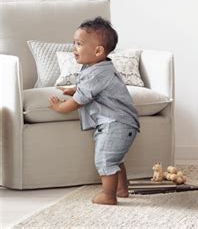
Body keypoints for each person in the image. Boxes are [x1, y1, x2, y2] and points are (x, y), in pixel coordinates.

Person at [48, 17, 140, 205]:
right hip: (121, 123)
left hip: (116, 124)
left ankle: (108, 195)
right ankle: (121, 189)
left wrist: (60, 107)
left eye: (79, 44)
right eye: (74, 43)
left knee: (105, 160)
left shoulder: (98, 73)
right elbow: (91, 89)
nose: (74, 48)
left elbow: (78, 101)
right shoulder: (97, 67)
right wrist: (74, 89)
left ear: (98, 51)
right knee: (115, 158)